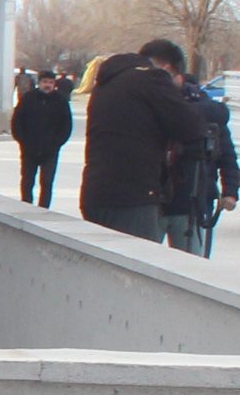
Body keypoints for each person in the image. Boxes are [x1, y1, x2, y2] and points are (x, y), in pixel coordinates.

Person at [76, 39, 207, 243]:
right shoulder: (152, 78)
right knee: (135, 266)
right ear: (168, 68)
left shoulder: (109, 80)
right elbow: (191, 127)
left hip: (96, 193)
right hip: (134, 196)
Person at [165, 74, 239, 257]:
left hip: (197, 198)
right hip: (165, 196)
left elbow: (226, 154)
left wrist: (230, 191)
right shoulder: (159, 107)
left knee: (192, 258)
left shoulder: (209, 113)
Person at [9, 67, 73, 208]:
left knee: (47, 182)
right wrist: (23, 141)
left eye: (51, 82)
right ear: (39, 83)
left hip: (50, 151)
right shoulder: (29, 98)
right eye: (45, 82)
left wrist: (56, 143)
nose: (48, 85)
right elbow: (17, 121)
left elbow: (66, 125)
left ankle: (44, 209)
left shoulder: (61, 100)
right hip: (29, 149)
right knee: (27, 180)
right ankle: (26, 206)